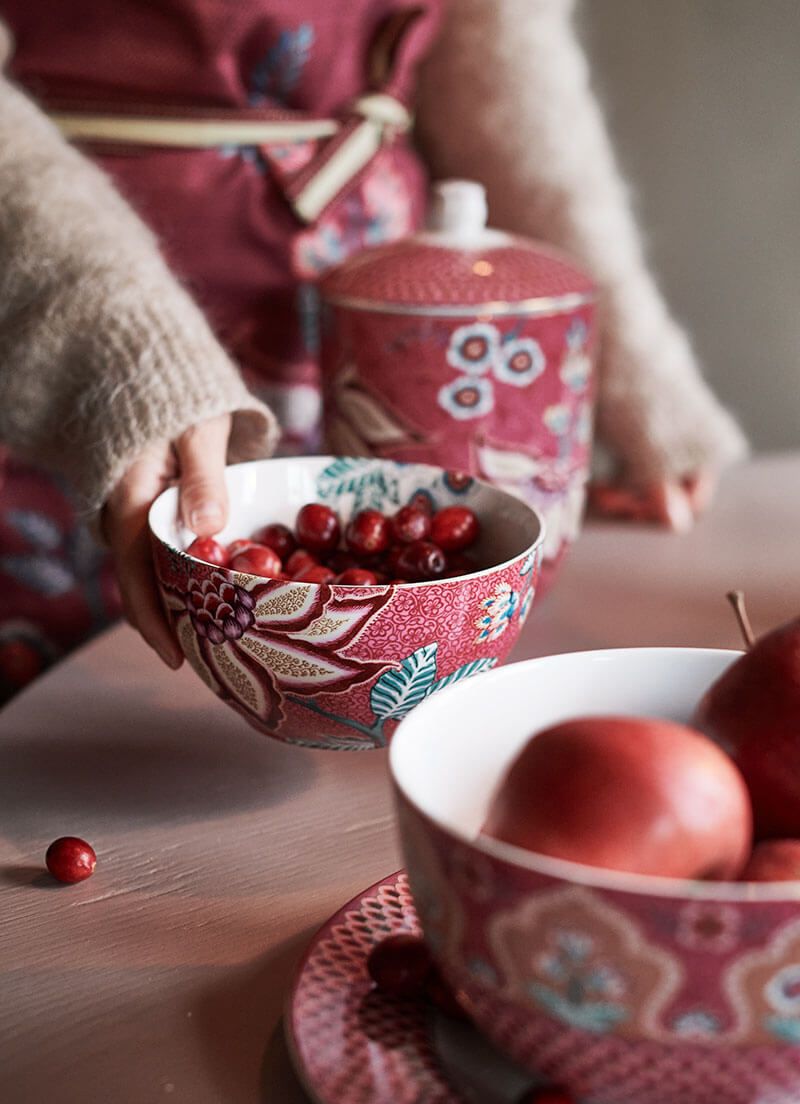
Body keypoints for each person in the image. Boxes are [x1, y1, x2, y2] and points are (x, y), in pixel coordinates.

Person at [0, 0, 747, 696]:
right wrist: (113, 344)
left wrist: (628, 372)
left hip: (387, 334)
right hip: (48, 294)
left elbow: (498, 63)